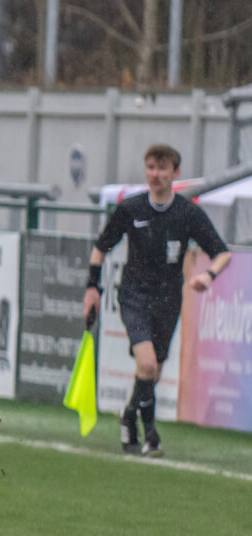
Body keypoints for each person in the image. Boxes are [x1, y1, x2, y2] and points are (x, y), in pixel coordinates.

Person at [83, 143, 230, 457]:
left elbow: (222, 253)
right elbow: (101, 247)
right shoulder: (131, 209)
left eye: (163, 169)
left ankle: (128, 415)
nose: (156, 174)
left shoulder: (187, 213)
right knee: (146, 363)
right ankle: (150, 434)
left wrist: (208, 276)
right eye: (151, 167)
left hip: (168, 299)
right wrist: (92, 288)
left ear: (175, 173)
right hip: (134, 295)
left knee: (154, 372)